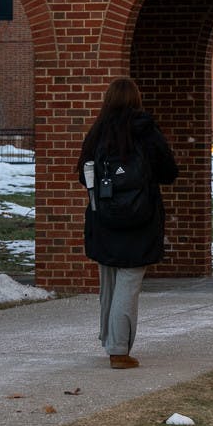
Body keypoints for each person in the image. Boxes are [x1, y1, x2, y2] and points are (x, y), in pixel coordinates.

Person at [77, 78, 178, 369]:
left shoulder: (97, 132)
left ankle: (110, 339)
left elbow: (84, 175)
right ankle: (119, 350)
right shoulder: (146, 130)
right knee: (128, 284)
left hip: (103, 217)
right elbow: (169, 171)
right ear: (136, 100)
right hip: (140, 218)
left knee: (108, 282)